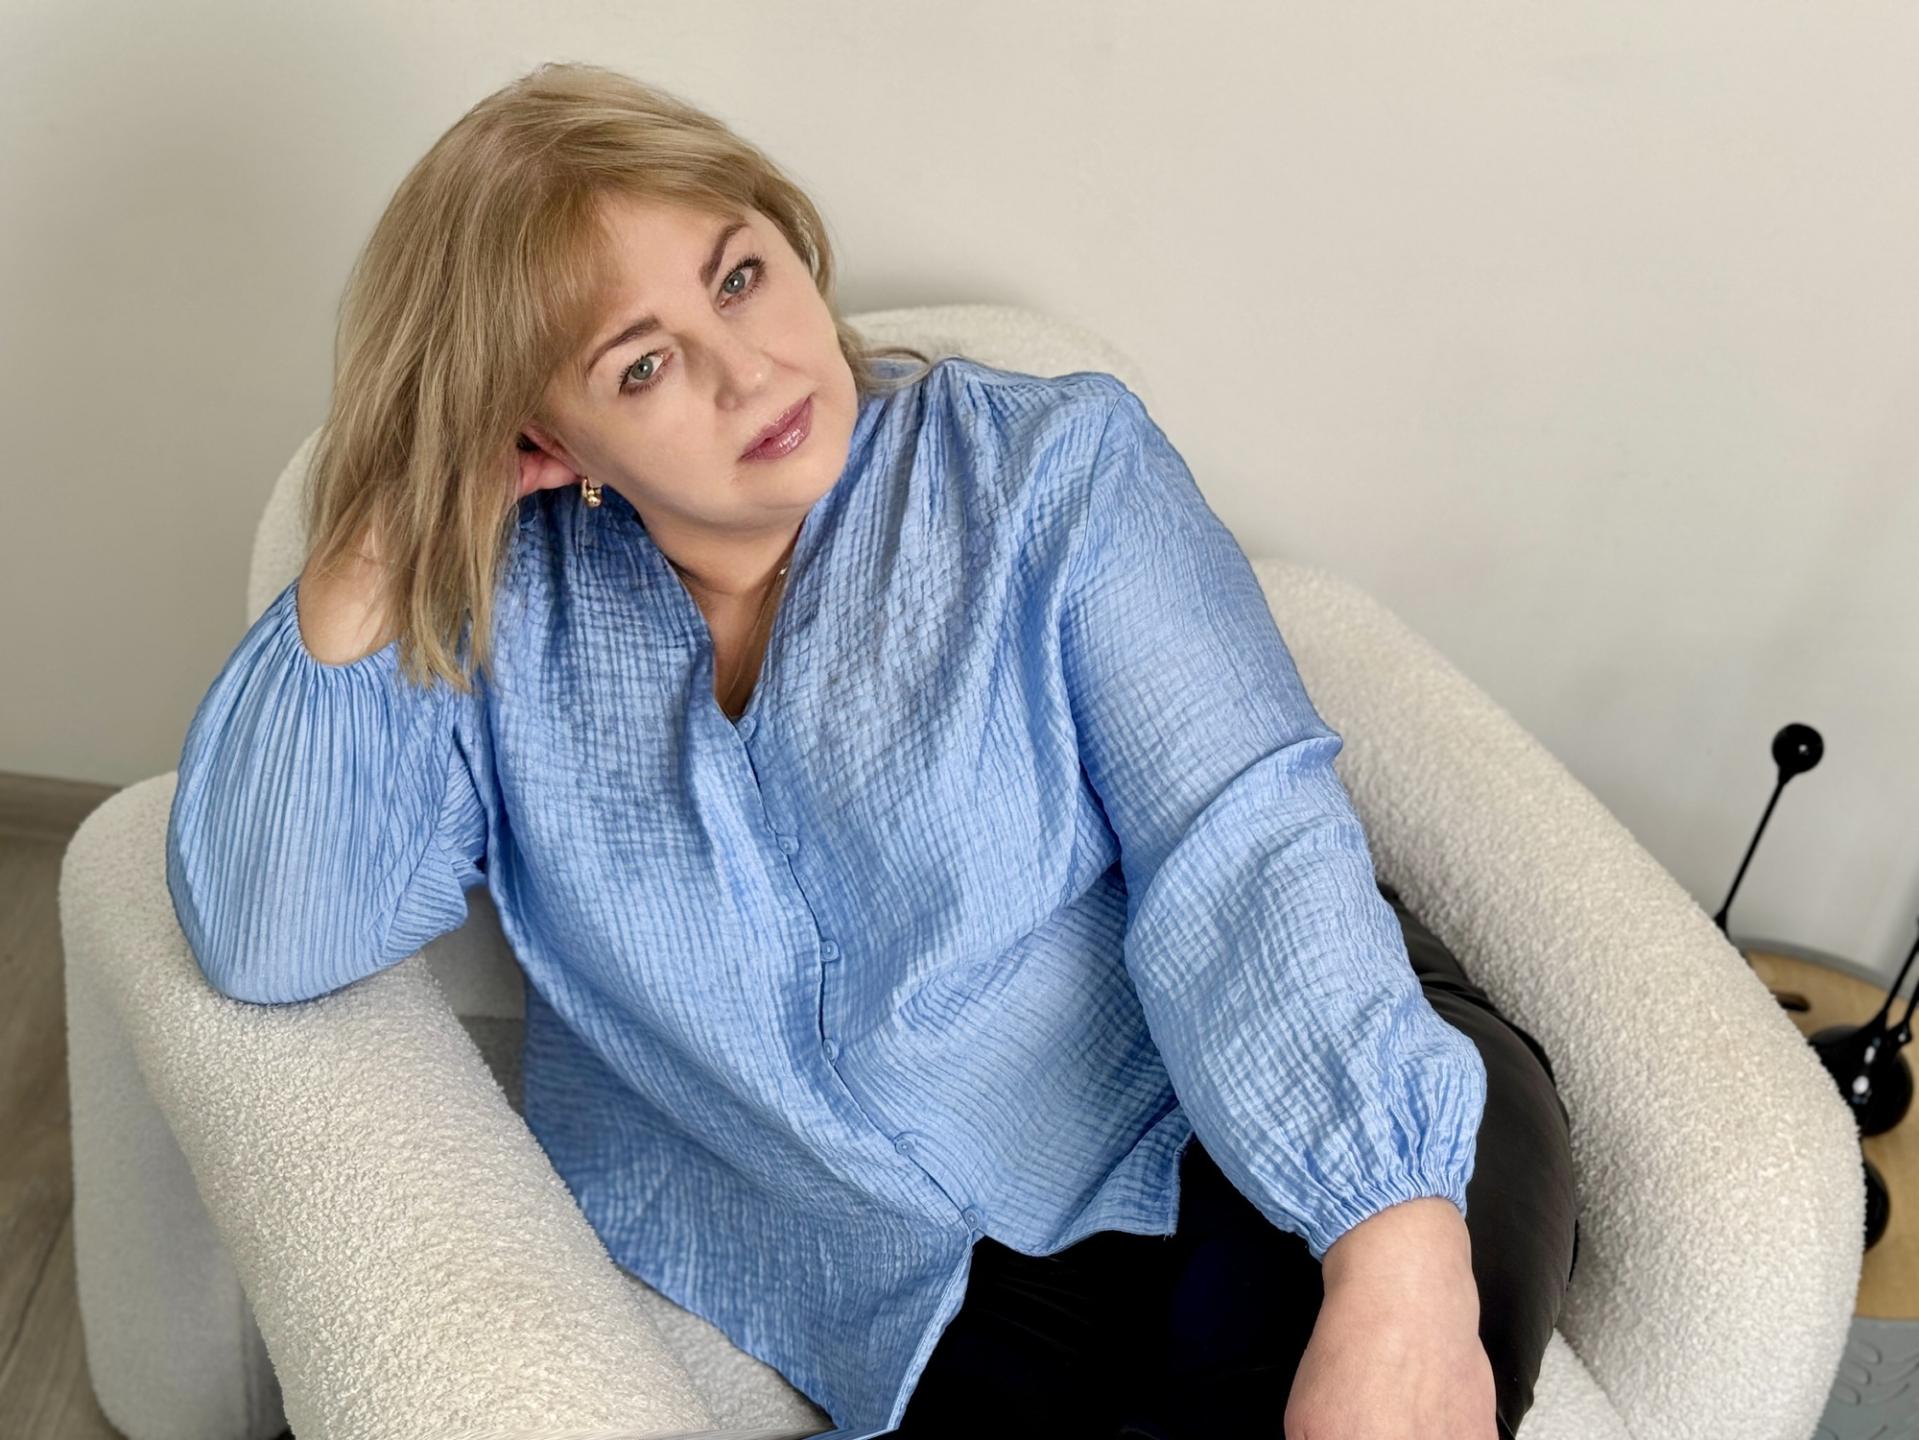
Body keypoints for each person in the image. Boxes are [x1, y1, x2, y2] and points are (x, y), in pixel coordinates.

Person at [164, 61, 1579, 1440]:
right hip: (933, 1275)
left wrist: (1397, 1254)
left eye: (739, 276)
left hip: (1300, 1060)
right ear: (546, 438)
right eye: (642, 365)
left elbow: (1242, 851)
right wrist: (382, 532)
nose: (748, 370)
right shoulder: (504, 622)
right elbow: (272, 936)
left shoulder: (1048, 474)